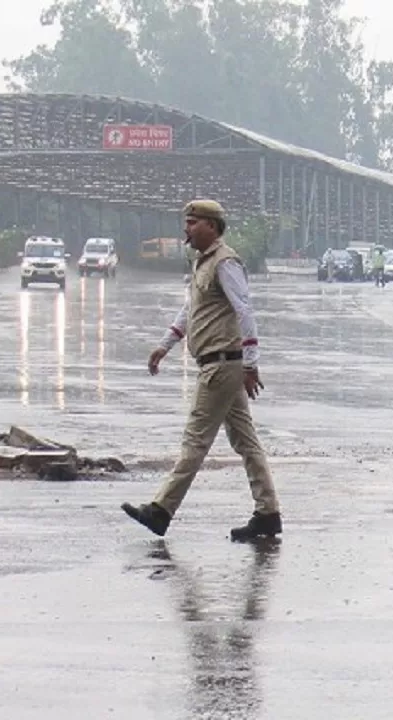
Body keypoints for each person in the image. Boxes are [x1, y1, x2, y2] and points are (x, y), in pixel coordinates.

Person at [122, 200, 283, 543]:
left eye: (193, 222)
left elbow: (245, 310)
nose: (186, 229)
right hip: (219, 365)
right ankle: (268, 514)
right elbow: (190, 309)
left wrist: (251, 363)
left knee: (195, 440)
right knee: (246, 442)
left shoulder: (225, 263)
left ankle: (161, 510)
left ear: (211, 225)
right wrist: (165, 345)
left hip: (222, 365)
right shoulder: (203, 265)